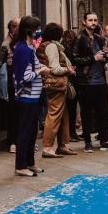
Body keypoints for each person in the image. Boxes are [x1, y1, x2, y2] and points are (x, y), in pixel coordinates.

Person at [72, 12, 108, 153]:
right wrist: (94, 58)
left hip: (100, 80)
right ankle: (88, 142)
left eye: (95, 20)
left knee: (103, 113)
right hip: (86, 82)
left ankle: (104, 141)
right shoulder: (80, 38)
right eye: (90, 20)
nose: (93, 22)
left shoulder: (100, 39)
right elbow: (75, 60)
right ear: (84, 22)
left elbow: (104, 55)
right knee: (86, 114)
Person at [12, 16, 50, 176]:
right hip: (27, 97)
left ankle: (29, 163)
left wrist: (39, 67)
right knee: (25, 132)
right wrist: (41, 71)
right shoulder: (24, 49)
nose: (38, 32)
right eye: (36, 29)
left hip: (32, 97)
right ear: (30, 31)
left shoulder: (27, 48)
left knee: (32, 131)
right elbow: (25, 76)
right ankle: (21, 166)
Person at [36, 23, 77, 158]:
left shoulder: (43, 45)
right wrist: (68, 70)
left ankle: (62, 144)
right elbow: (55, 68)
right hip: (55, 84)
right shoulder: (52, 46)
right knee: (54, 114)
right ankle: (48, 147)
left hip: (52, 84)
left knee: (63, 114)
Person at [0, 18, 20, 153]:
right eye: (18, 27)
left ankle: (19, 140)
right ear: (12, 28)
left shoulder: (20, 41)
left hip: (19, 80)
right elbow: (8, 63)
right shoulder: (7, 43)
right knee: (13, 112)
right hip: (12, 81)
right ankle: (13, 141)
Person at [61, 29, 81, 142]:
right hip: (71, 81)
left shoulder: (68, 49)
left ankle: (72, 132)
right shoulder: (67, 50)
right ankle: (70, 133)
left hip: (72, 81)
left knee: (71, 109)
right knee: (71, 108)